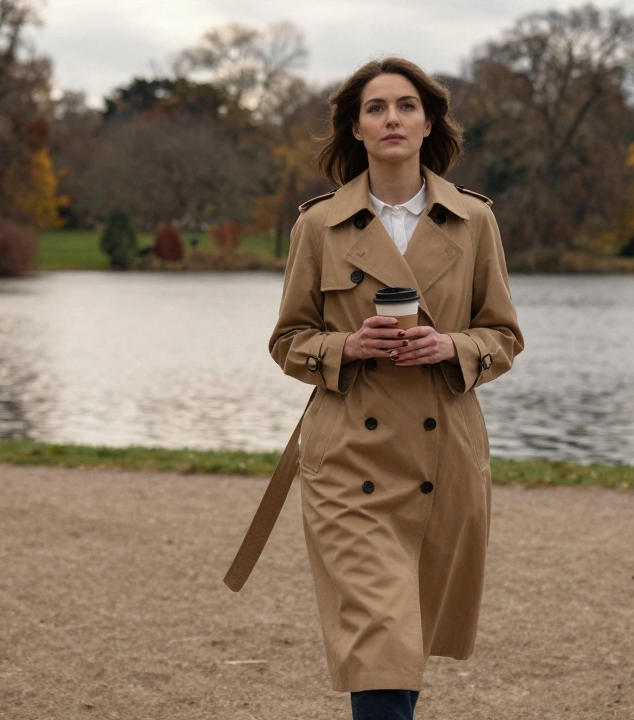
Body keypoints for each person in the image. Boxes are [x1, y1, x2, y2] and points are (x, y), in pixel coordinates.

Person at [225, 57, 523, 720]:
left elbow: (502, 337)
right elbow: (288, 342)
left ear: (428, 124)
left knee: (403, 634)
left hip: (442, 457)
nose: (392, 118)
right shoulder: (318, 226)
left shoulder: (473, 223)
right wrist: (346, 347)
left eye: (407, 106)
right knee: (379, 637)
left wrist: (450, 346)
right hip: (348, 464)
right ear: (355, 129)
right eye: (376, 108)